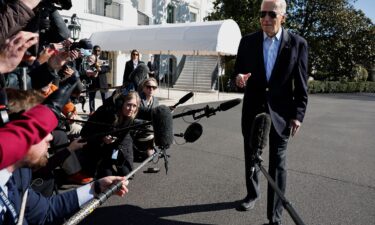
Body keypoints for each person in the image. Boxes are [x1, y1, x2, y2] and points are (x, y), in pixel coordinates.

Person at [232, 1, 308, 225]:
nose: (266, 18)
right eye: (262, 13)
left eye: (271, 14)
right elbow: (238, 73)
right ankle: (252, 194)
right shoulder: (247, 42)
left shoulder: (298, 44)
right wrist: (238, 79)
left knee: (278, 162)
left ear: (283, 16)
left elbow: (302, 84)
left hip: (282, 114)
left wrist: (298, 114)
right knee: (251, 155)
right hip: (253, 110)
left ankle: (274, 216)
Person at [0, 133, 128, 225]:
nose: (50, 136)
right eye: (41, 129)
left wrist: (96, 187)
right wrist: (69, 149)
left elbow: (46, 211)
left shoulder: (19, 176)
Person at [86, 45, 111, 114]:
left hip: (102, 82)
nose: (97, 52)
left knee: (105, 99)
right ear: (93, 51)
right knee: (91, 99)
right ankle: (92, 112)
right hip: (92, 82)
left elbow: (108, 68)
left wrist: (101, 69)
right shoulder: (89, 58)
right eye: (95, 50)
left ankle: (105, 113)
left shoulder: (104, 58)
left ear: (100, 51)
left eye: (98, 50)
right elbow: (86, 67)